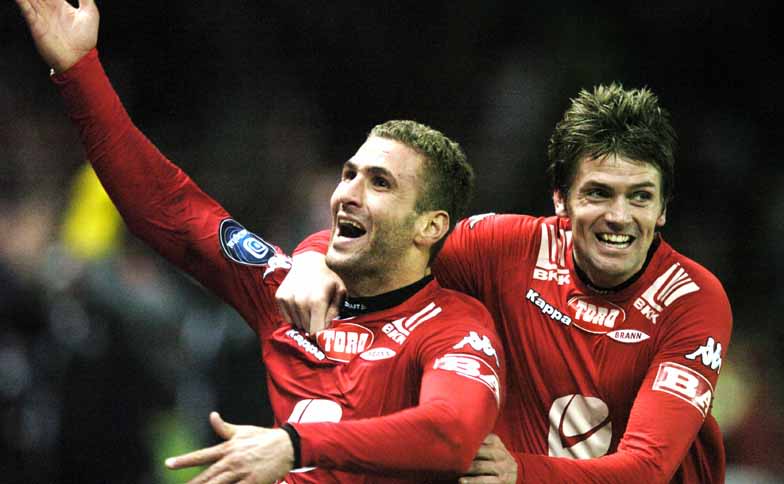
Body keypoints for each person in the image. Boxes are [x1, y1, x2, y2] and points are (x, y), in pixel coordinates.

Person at [15, 1, 507, 483]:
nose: (347, 195)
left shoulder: (453, 327)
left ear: (430, 226)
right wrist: (79, 71)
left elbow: (450, 434)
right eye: (348, 174)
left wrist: (293, 445)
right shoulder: (286, 290)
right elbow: (168, 207)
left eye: (380, 183)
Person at [281, 84, 733, 481]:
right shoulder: (504, 249)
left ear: (663, 209)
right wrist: (313, 258)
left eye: (640, 197)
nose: (619, 216)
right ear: (561, 200)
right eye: (598, 193)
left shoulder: (692, 300)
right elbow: (397, 244)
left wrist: (519, 473)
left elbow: (647, 469)